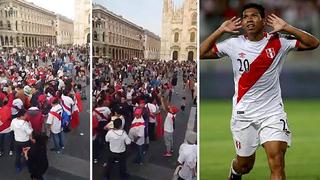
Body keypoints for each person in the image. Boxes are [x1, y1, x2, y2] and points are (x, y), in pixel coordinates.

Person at [200, 3, 319, 180]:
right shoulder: (233, 44)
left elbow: (314, 43)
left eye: (254, 15)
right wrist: (219, 31)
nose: (249, 19)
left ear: (264, 21)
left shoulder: (278, 41)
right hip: (244, 114)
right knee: (245, 165)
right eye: (245, 16)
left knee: (277, 161)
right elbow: (201, 53)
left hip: (272, 112)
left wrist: (288, 27)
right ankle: (235, 172)